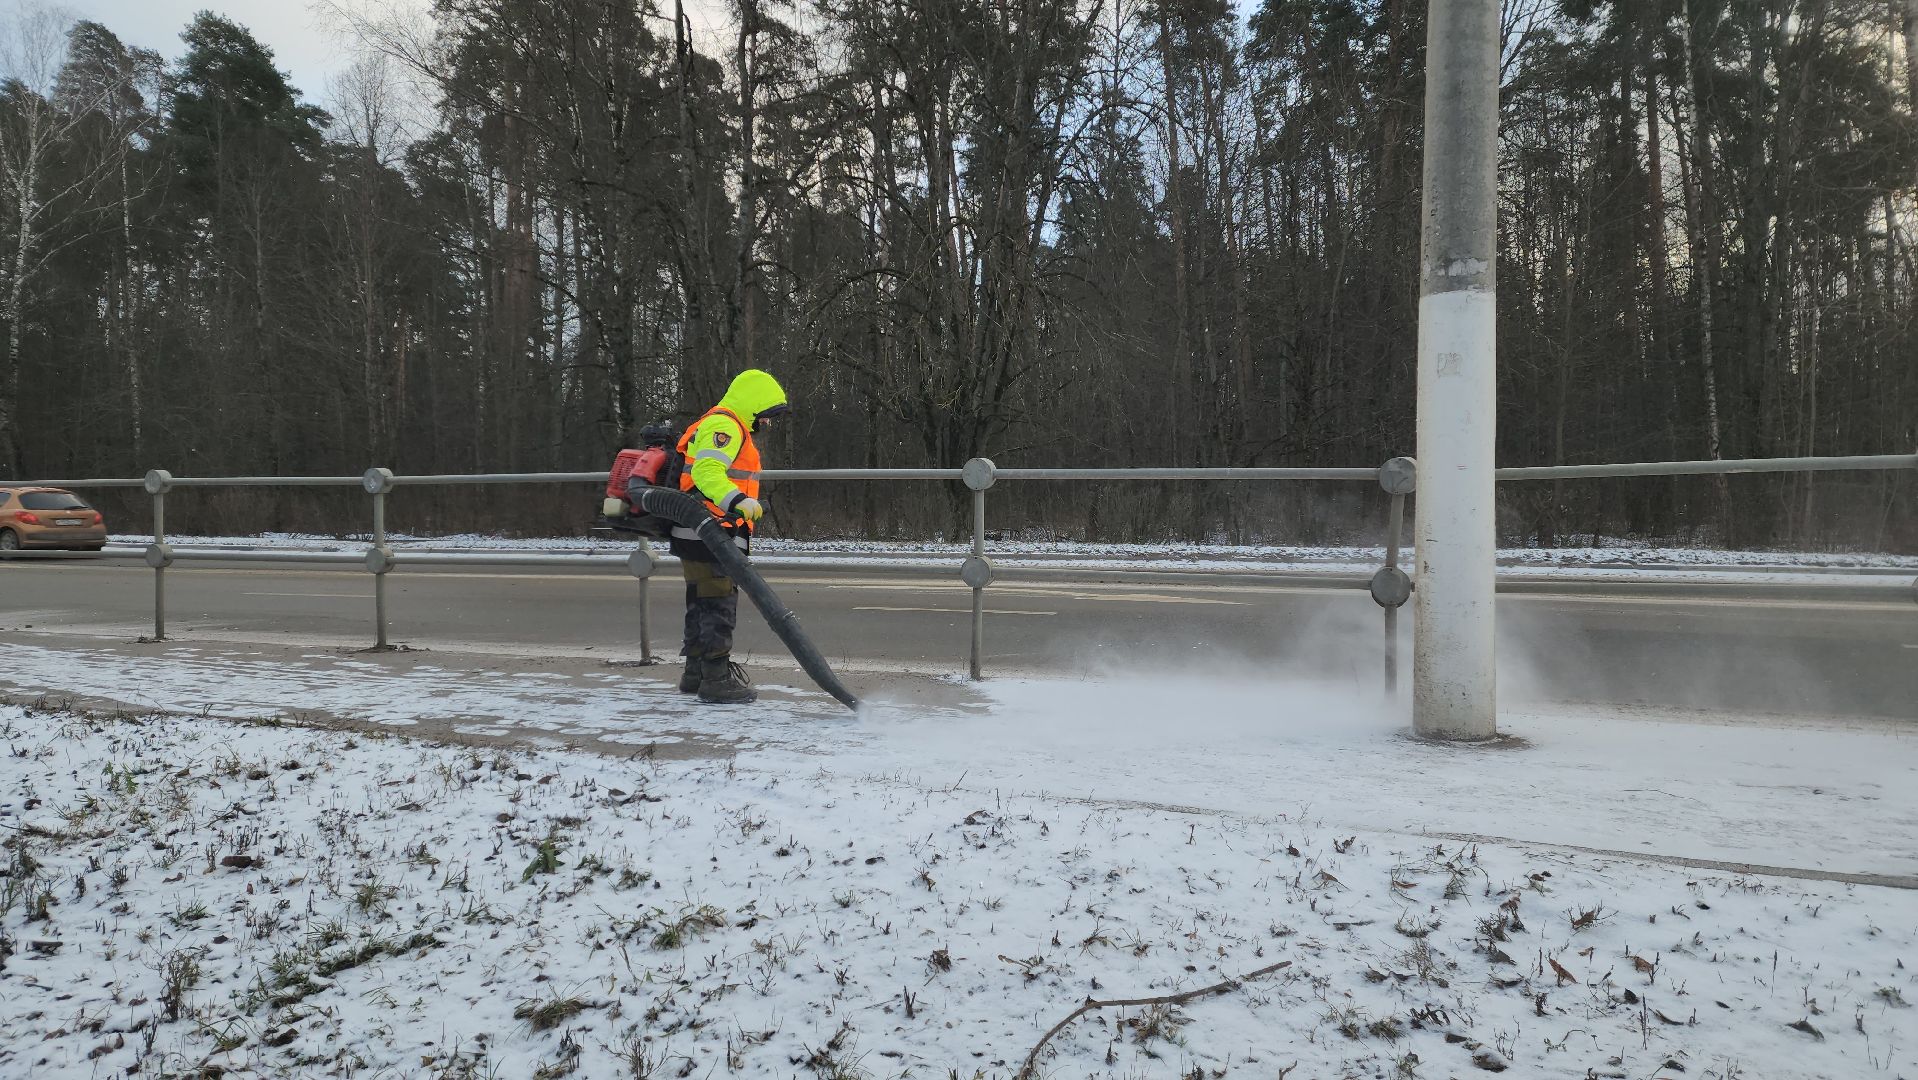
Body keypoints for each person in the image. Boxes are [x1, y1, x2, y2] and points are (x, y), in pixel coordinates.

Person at [671, 369, 789, 704]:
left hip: (699, 528)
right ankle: (716, 678)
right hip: (710, 528)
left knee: (701, 600)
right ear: (753, 406)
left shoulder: (723, 424)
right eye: (765, 416)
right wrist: (737, 501)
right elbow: (706, 472)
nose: (766, 424)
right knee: (717, 601)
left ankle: (695, 673)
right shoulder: (724, 426)